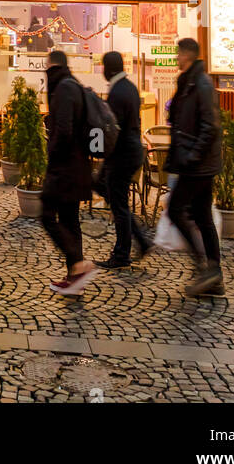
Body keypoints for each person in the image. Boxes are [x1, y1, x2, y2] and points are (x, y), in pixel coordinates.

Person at [165, 37, 224, 297]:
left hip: (197, 164)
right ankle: (214, 276)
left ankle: (205, 267)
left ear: (187, 55)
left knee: (176, 210)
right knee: (202, 217)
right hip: (199, 162)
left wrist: (192, 155)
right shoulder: (189, 82)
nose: (176, 58)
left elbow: (210, 126)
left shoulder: (201, 83)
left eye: (178, 54)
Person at [40, 50, 96, 296]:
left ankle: (78, 265)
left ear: (53, 66)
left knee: (47, 215)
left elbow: (63, 131)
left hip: (64, 168)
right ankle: (75, 279)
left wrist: (52, 156)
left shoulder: (63, 89)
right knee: (70, 220)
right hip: (78, 166)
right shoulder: (74, 86)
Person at [96, 51, 152, 268]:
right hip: (131, 152)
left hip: (122, 155)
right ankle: (140, 241)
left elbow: (113, 130)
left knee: (118, 204)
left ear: (108, 69)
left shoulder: (118, 92)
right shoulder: (129, 87)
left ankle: (122, 254)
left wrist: (101, 151)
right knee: (117, 200)